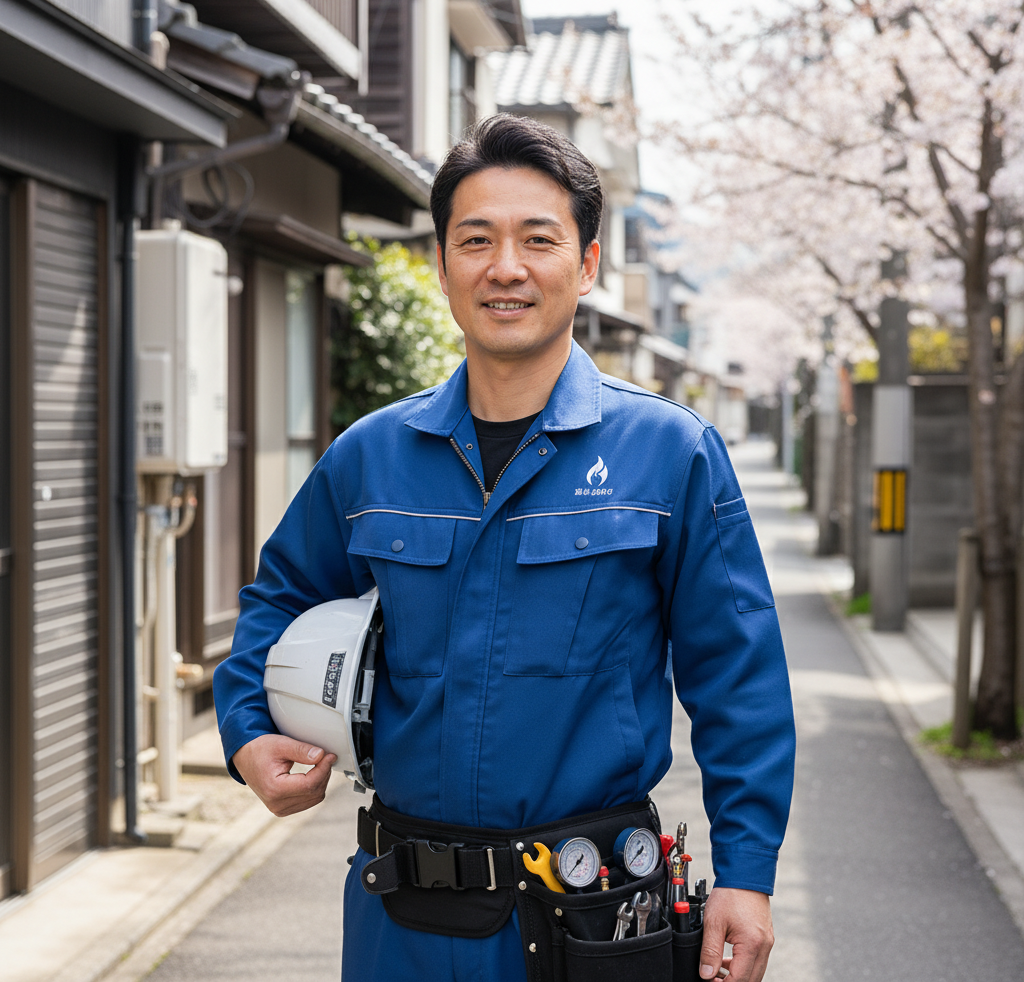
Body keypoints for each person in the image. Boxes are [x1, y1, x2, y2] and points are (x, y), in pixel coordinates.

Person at [213, 114, 795, 982]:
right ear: (443, 263)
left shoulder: (669, 453)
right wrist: (247, 732)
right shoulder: (371, 456)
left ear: (587, 264)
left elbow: (737, 675)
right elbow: (281, 596)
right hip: (398, 916)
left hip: (592, 917)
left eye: (538, 239)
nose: (506, 267)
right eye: (476, 240)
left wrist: (746, 874)